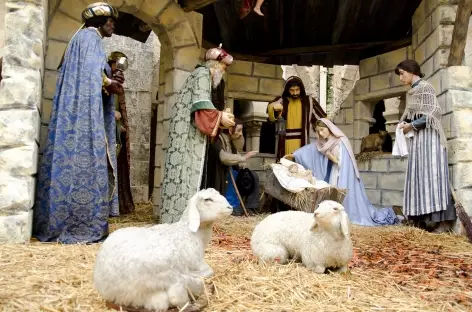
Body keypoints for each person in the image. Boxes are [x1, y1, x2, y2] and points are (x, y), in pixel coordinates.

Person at [33, 3, 123, 244]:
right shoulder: (89, 37)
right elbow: (93, 75)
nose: (113, 25)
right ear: (99, 22)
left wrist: (110, 81)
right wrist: (110, 83)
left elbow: (92, 76)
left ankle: (62, 221)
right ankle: (82, 225)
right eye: (110, 21)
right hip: (84, 116)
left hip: (77, 112)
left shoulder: (81, 40)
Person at [160, 44, 236, 224]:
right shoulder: (203, 74)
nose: (224, 71)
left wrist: (221, 116)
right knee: (185, 175)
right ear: (215, 64)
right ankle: (180, 219)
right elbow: (201, 105)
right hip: (187, 136)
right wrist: (220, 117)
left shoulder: (203, 76)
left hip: (189, 133)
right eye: (224, 67)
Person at [285, 118, 399, 226]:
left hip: (343, 174)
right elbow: (311, 149)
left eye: (322, 130)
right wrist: (294, 154)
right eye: (318, 131)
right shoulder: (324, 143)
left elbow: (344, 164)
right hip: (333, 173)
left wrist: (332, 158)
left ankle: (343, 215)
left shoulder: (341, 141)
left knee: (340, 195)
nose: (320, 133)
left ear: (329, 128)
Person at [395, 60, 456, 233]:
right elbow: (414, 114)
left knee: (433, 177)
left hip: (430, 139)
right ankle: (420, 220)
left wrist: (411, 126)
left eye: (402, 73)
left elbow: (433, 113)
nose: (401, 78)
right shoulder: (411, 92)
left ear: (411, 70)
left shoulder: (425, 87)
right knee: (419, 178)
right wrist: (404, 125)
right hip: (419, 141)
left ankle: (443, 223)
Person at [267, 76, 327, 160]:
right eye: (292, 90)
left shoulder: (308, 101)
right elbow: (271, 114)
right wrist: (274, 107)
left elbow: (321, 119)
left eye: (297, 90)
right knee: (286, 167)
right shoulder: (281, 101)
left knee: (302, 167)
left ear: (301, 89)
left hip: (302, 141)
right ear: (287, 90)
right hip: (285, 142)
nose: (295, 93)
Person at [209, 119, 259, 216]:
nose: (240, 134)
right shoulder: (217, 139)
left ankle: (251, 206)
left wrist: (242, 162)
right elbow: (223, 157)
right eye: (239, 130)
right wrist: (244, 157)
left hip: (231, 170)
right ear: (230, 129)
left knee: (253, 176)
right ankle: (232, 206)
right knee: (231, 180)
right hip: (222, 174)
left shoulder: (231, 141)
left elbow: (237, 152)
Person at [108, 51, 135, 215]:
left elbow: (119, 111)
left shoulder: (118, 88)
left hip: (117, 136)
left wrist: (120, 126)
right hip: (107, 135)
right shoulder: (104, 83)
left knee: (119, 169)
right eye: (116, 67)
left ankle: (117, 206)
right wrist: (113, 117)